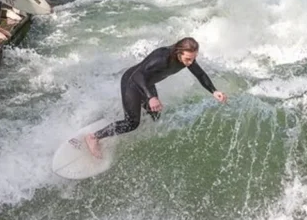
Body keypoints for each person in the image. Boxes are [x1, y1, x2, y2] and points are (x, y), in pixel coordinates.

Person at [85, 37, 227, 159]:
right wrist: (151, 97)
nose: (190, 62)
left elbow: (200, 74)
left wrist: (214, 91)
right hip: (133, 82)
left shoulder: (186, 59)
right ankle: (94, 137)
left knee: (155, 115)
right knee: (132, 123)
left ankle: (124, 118)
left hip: (147, 83)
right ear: (179, 52)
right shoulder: (161, 58)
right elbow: (137, 75)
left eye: (193, 59)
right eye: (188, 59)